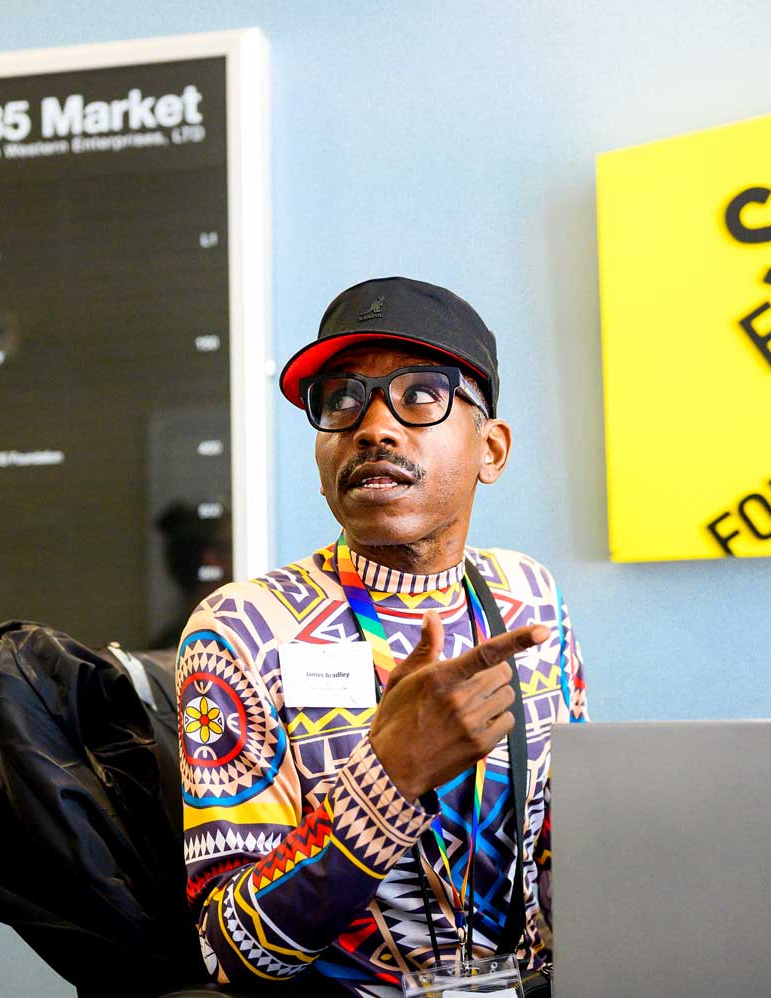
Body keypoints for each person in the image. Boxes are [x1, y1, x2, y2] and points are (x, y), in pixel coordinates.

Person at [175, 277, 589, 995]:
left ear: (491, 449)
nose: (373, 426)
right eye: (341, 399)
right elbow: (231, 951)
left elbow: (564, 857)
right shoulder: (243, 629)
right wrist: (390, 777)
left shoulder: (530, 599)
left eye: (421, 394)